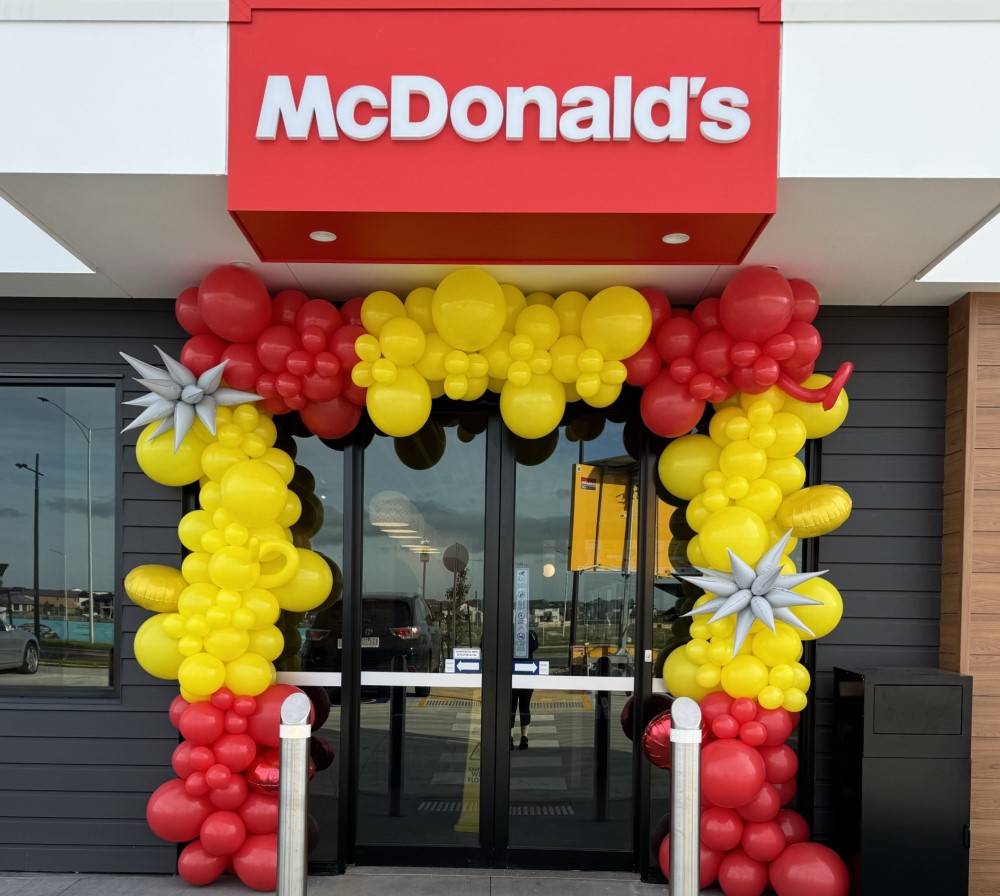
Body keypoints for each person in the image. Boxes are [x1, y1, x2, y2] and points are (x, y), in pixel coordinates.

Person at [511, 628, 538, 750]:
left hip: (511, 674)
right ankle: (524, 737)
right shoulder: (530, 633)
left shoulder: (506, 632)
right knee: (524, 706)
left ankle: (510, 737)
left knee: (511, 707)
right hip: (526, 675)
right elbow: (534, 645)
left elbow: (534, 645)